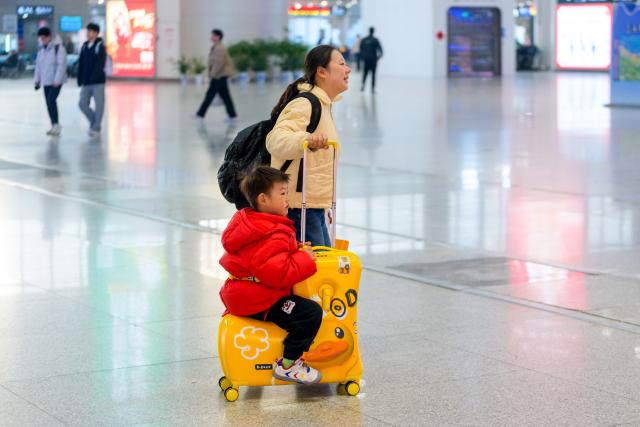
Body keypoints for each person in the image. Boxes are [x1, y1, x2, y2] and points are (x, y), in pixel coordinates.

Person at [219, 166, 323, 384]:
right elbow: (279, 273)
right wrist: (305, 258)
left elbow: (265, 259)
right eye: (283, 193)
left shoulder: (252, 224)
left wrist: (294, 249)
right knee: (309, 313)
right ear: (263, 199)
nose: (287, 199)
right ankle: (289, 365)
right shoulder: (272, 232)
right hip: (259, 298)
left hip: (244, 291)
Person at [266, 45, 351, 247]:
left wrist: (323, 206)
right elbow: (275, 139)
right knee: (310, 274)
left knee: (319, 271)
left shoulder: (323, 105)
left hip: (313, 208)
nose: (348, 69)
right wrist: (306, 139)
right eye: (341, 64)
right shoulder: (305, 103)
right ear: (321, 72)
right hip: (298, 208)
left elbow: (317, 165)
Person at [195, 28, 237, 123]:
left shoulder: (220, 48)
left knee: (210, 95)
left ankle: (200, 115)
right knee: (225, 96)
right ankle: (232, 115)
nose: (211, 37)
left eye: (213, 35)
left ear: (218, 37)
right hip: (219, 75)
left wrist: (212, 74)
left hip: (219, 76)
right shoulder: (216, 46)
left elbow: (219, 63)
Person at [34, 27, 67, 136]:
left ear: (49, 37)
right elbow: (38, 66)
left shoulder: (58, 48)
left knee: (51, 100)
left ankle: (56, 125)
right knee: (48, 103)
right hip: (46, 81)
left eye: (43, 38)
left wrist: (57, 80)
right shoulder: (41, 50)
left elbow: (61, 65)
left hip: (56, 81)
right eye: (40, 38)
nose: (42, 40)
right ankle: (54, 125)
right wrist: (37, 80)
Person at [77, 23, 107, 137]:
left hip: (98, 82)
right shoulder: (84, 46)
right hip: (86, 82)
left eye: (90, 32)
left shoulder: (100, 46)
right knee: (82, 103)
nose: (88, 34)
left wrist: (93, 77)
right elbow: (81, 64)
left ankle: (96, 127)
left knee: (99, 105)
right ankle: (95, 123)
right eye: (87, 31)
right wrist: (80, 79)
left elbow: (100, 64)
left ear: (96, 33)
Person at [360, 27, 383, 93]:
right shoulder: (375, 40)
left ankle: (363, 87)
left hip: (366, 60)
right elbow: (381, 51)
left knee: (365, 74)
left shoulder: (364, 40)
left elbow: (361, 50)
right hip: (373, 60)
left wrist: (363, 58)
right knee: (373, 75)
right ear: (373, 31)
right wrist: (378, 58)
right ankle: (372, 89)